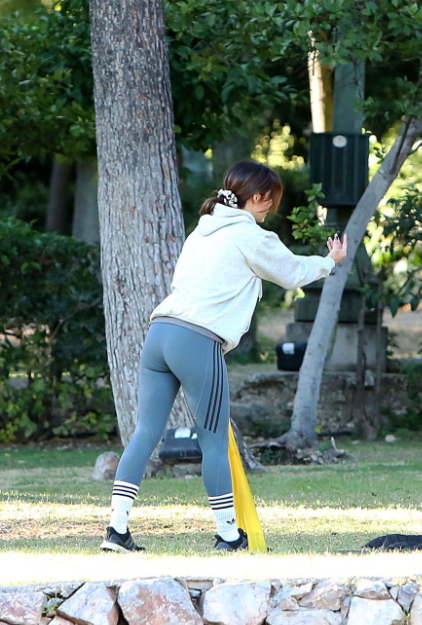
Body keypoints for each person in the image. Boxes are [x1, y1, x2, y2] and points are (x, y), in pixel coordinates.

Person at [101, 160, 347, 553]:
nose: (271, 209)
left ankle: (116, 530)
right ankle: (229, 535)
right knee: (214, 440)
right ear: (257, 197)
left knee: (146, 432)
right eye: (270, 201)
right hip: (197, 341)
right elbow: (291, 272)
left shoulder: (203, 229)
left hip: (159, 333)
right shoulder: (249, 235)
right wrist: (329, 262)